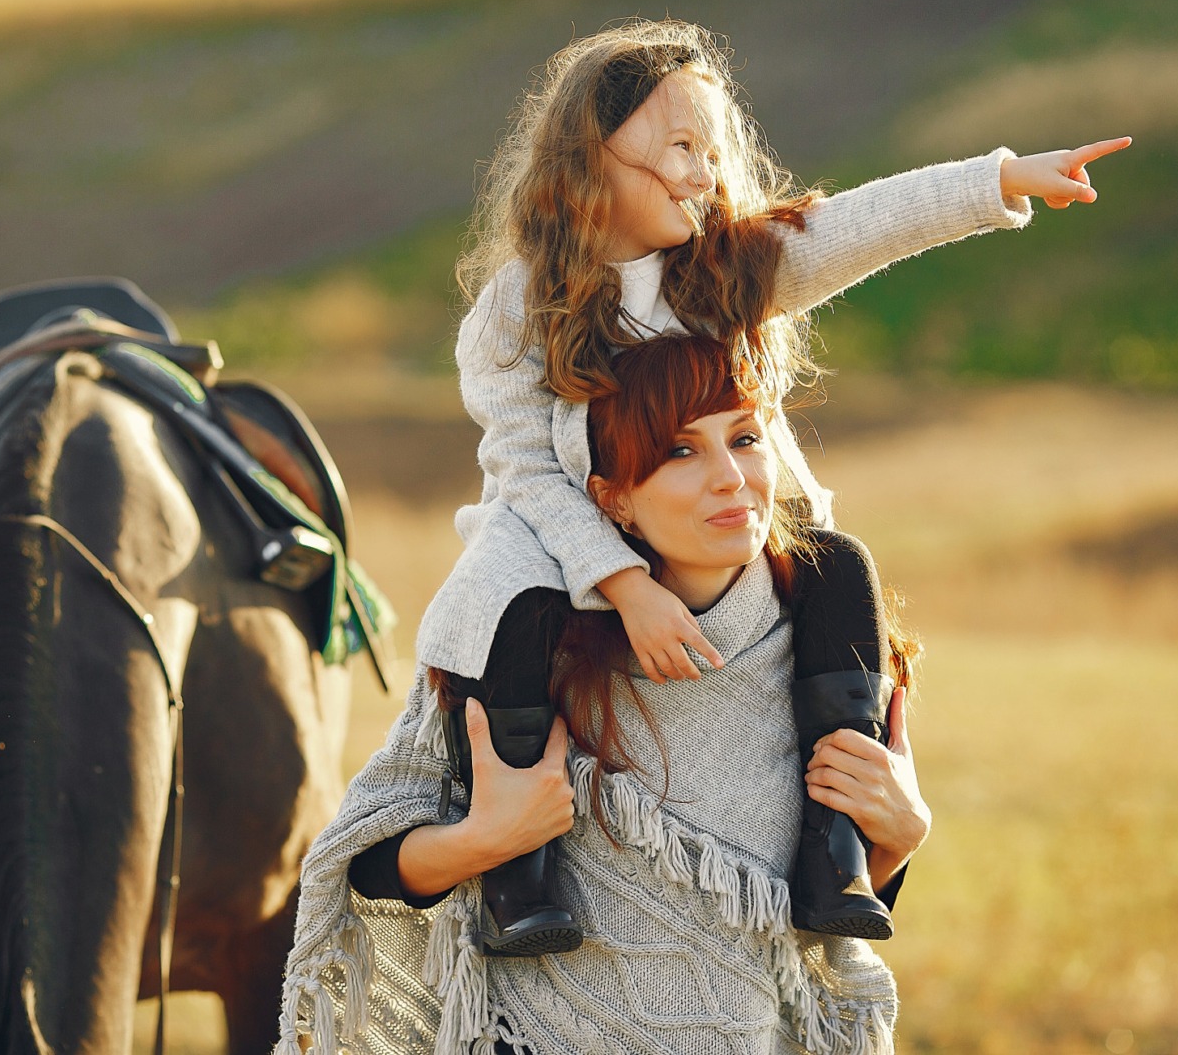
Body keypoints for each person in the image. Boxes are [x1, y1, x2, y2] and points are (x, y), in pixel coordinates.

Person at [406, 17, 1129, 954]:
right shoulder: (515, 306)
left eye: (712, 149)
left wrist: (997, 180)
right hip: (564, 517)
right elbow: (526, 465)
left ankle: (833, 843)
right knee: (502, 602)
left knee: (836, 567)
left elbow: (863, 222)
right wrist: (623, 587)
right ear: (594, 156)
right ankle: (517, 866)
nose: (705, 170)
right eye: (679, 146)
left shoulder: (726, 268)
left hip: (728, 510)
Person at [276, 335, 929, 1054]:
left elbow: (814, 920)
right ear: (611, 498)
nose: (731, 478)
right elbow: (367, 865)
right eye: (681, 452)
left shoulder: (825, 643)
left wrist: (897, 841)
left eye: (744, 439)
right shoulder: (524, 641)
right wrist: (482, 841)